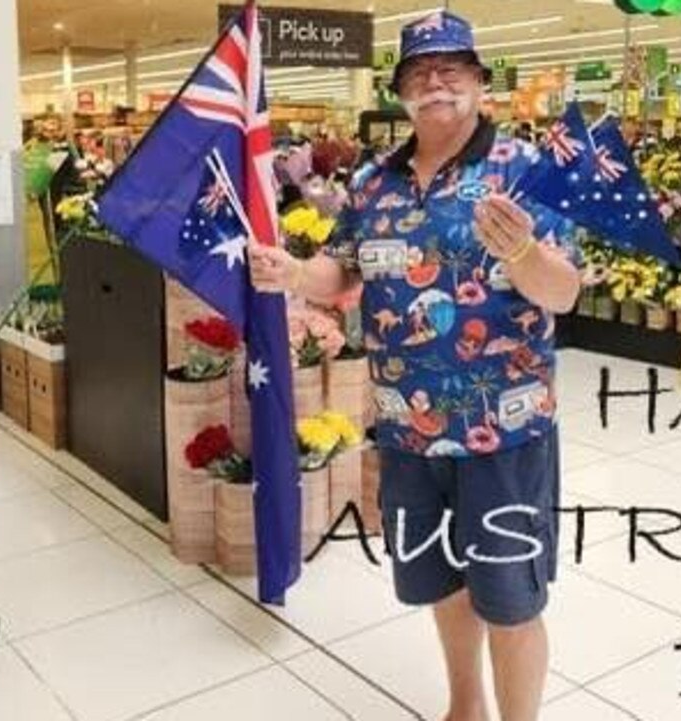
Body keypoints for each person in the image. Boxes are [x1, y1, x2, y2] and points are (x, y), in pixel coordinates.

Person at [249, 11, 580, 721]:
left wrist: (523, 252)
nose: (436, 81)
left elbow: (565, 291)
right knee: (439, 580)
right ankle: (466, 705)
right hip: (407, 432)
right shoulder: (373, 183)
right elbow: (340, 275)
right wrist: (290, 273)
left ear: (480, 82)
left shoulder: (524, 170)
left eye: (452, 68)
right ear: (400, 91)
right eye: (419, 71)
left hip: (504, 432)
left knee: (511, 594)